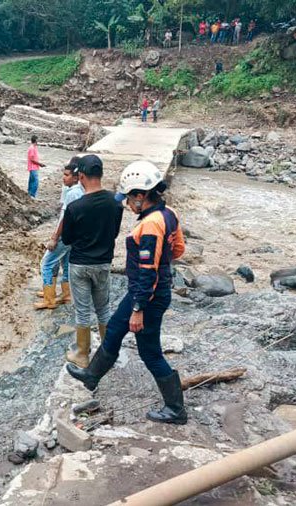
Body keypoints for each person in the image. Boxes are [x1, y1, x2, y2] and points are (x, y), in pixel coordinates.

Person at [66, 161, 187, 425]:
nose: (128, 204)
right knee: (115, 330)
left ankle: (176, 409)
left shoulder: (151, 225)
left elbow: (147, 271)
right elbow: (178, 250)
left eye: (130, 198)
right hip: (146, 291)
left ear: (141, 195)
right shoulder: (169, 214)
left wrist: (139, 309)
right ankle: (92, 375)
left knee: (150, 352)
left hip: (147, 297)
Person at [60, 155, 123, 368]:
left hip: (79, 264)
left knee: (83, 311)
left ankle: (82, 354)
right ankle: (107, 353)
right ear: (101, 174)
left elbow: (67, 239)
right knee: (103, 309)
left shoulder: (75, 207)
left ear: (82, 176)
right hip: (103, 263)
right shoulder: (115, 203)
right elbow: (113, 233)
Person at [34, 157, 85, 310]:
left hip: (65, 235)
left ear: (76, 177)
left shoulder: (72, 193)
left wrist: (54, 237)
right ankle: (66, 294)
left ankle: (49, 300)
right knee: (66, 263)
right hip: (74, 236)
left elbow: (64, 217)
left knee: (47, 263)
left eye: (66, 175)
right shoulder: (81, 191)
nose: (63, 178)